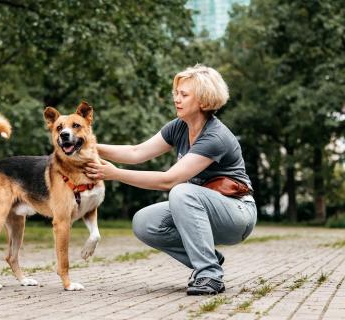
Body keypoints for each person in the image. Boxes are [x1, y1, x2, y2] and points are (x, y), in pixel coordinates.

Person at [85, 64, 257, 295]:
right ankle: (209, 258)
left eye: (184, 94)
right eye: (176, 93)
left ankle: (210, 275)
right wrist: (87, 145)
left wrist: (114, 174)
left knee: (180, 190)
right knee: (144, 222)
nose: (177, 98)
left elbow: (169, 180)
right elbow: (136, 152)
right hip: (201, 207)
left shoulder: (215, 136)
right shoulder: (179, 127)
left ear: (204, 101)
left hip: (237, 213)